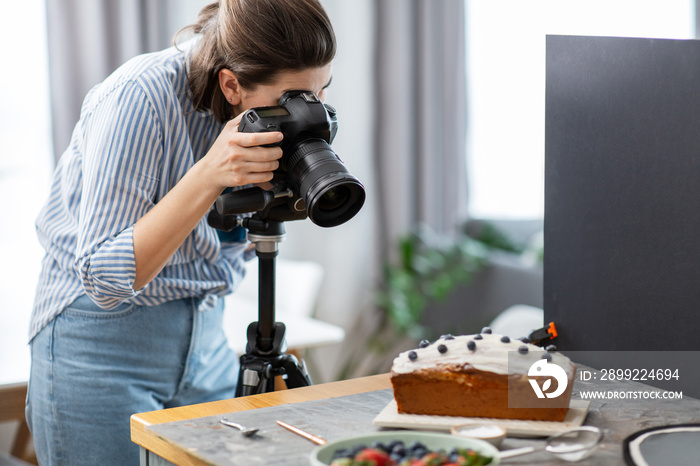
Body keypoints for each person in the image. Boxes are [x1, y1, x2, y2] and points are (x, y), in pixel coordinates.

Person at [26, 0, 336, 464]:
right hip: (100, 347)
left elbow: (231, 241)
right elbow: (104, 278)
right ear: (231, 84)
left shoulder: (263, 111)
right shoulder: (139, 97)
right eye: (289, 102)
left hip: (208, 336)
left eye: (319, 95)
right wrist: (209, 173)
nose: (306, 115)